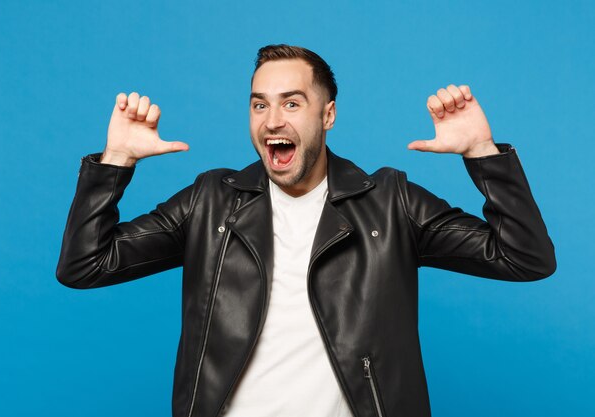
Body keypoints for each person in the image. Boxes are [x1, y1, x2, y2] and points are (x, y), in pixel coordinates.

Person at [56, 44, 556, 417]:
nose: (272, 120)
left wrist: (482, 154)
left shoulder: (389, 202)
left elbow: (525, 258)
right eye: (259, 104)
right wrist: (115, 161)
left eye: (292, 103)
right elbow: (85, 266)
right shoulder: (211, 202)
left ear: (328, 114)